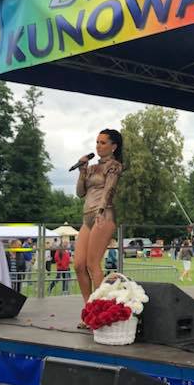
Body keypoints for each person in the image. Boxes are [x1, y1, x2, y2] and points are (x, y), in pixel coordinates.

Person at [75, 129, 124, 323]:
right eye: (97, 142)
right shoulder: (92, 168)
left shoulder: (114, 166)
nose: (98, 146)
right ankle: (89, 308)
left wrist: (101, 211)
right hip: (87, 216)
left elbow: (109, 190)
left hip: (103, 214)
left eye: (103, 142)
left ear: (114, 146)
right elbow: (80, 193)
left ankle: (100, 310)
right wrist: (82, 172)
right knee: (78, 265)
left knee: (92, 263)